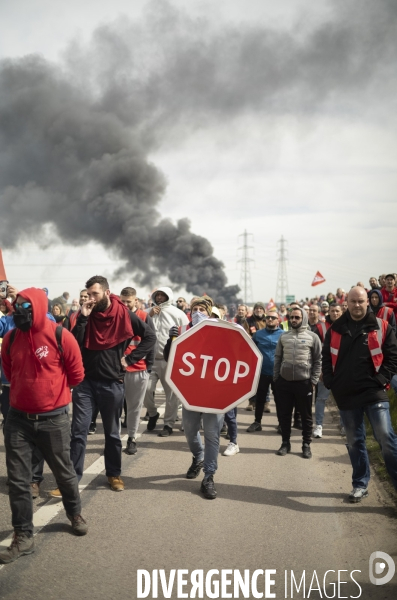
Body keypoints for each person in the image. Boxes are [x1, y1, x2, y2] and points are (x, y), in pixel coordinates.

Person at [0, 288, 87, 564]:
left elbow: (76, 375)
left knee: (64, 472)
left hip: (54, 419)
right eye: (17, 305)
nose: (19, 309)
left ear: (38, 306)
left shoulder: (62, 336)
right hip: (17, 420)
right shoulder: (11, 337)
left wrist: (50, 395)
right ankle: (23, 535)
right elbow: (7, 369)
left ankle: (74, 513)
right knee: (18, 481)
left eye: (26, 305)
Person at [51, 275, 156, 495]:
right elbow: (74, 344)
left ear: (107, 293)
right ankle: (71, 480)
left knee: (112, 433)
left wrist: (130, 359)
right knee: (78, 432)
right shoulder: (84, 315)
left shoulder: (123, 313)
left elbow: (149, 337)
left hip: (112, 383)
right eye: (87, 294)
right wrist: (82, 318)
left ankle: (113, 474)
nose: (90, 298)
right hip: (85, 383)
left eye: (94, 294)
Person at [322, 286, 397, 502]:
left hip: (374, 393)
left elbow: (392, 357)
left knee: (385, 437)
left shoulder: (382, 327)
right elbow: (326, 358)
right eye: (353, 301)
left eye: (361, 301)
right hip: (346, 395)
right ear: (347, 302)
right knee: (355, 442)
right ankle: (360, 484)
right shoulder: (335, 329)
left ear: (368, 302)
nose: (357, 305)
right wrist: (331, 382)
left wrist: (382, 380)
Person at [164, 296, 224, 499]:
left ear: (209, 312)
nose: (198, 312)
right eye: (195, 309)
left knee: (212, 434)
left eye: (202, 309)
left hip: (215, 394)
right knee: (190, 430)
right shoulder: (182, 331)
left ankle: (209, 476)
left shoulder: (222, 332)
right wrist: (171, 340)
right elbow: (169, 358)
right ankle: (198, 456)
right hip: (191, 393)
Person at [273, 307, 322, 458]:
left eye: (297, 318)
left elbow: (318, 360)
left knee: (306, 417)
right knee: (284, 415)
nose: (293, 320)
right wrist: (276, 379)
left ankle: (306, 445)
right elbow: (278, 358)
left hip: (304, 383)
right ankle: (285, 443)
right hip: (284, 383)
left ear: (304, 318)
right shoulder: (283, 337)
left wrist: (313, 380)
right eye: (291, 317)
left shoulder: (313, 337)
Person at [144, 287, 189, 437]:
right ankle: (152, 414)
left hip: (169, 360)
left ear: (168, 297)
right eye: (158, 295)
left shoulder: (178, 313)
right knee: (145, 389)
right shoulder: (147, 312)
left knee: (171, 395)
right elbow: (138, 327)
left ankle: (168, 424)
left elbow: (187, 333)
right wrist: (149, 315)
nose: (160, 298)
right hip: (150, 360)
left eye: (163, 295)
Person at [119, 286, 155, 455]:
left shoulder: (144, 316)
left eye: (128, 301)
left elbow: (150, 341)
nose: (125, 304)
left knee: (134, 407)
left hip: (138, 368)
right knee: (115, 407)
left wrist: (149, 366)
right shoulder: (116, 316)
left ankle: (132, 438)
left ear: (136, 301)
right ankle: (114, 440)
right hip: (117, 370)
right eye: (122, 301)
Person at [246, 311, 284, 433]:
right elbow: (251, 352)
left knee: (280, 400)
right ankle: (257, 422)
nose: (270, 319)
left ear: (278, 320)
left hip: (278, 373)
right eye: (268, 317)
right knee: (260, 399)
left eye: (273, 318)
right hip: (261, 372)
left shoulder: (283, 335)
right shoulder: (258, 335)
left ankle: (281, 424)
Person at [313, 303, 343, 438]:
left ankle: (344, 425)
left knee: (343, 399)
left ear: (342, 312)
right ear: (328, 312)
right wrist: (319, 370)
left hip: (343, 370)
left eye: (337, 311)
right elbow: (315, 351)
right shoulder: (320, 327)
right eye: (333, 311)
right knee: (321, 399)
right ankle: (319, 425)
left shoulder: (348, 326)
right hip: (325, 369)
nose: (335, 313)